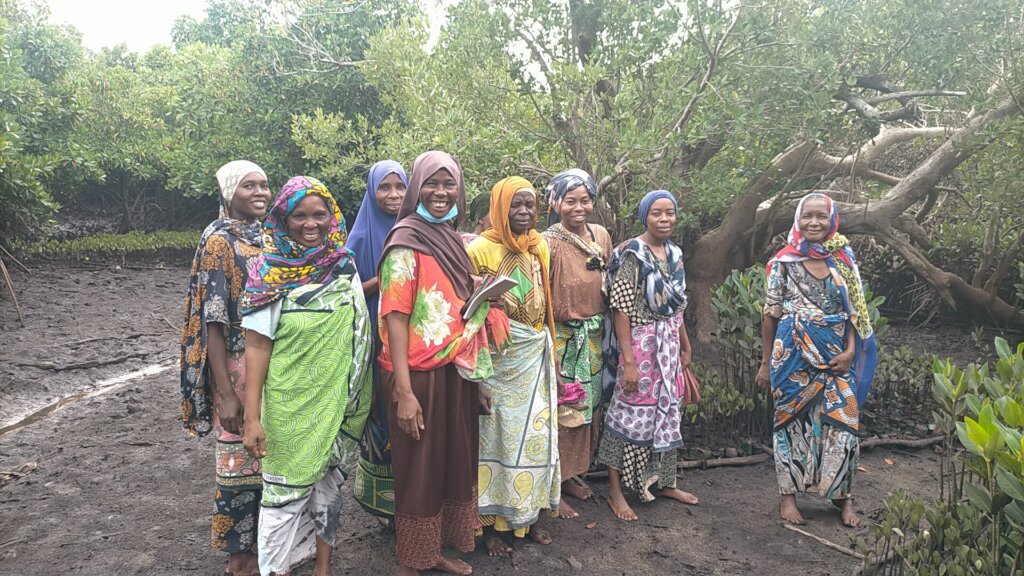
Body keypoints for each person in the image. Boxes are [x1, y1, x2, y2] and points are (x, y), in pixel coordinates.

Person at [378, 151, 507, 576]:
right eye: (431, 183)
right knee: (418, 469)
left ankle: (433, 551)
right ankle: (410, 563)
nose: (440, 192)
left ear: (459, 189)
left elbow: (450, 299)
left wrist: (483, 295)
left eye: (448, 183)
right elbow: (395, 316)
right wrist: (404, 391)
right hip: (417, 373)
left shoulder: (450, 236)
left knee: (450, 461)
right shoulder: (406, 240)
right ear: (416, 188)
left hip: (454, 367)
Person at [240, 176, 372, 576]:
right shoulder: (268, 271)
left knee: (330, 488)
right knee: (281, 502)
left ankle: (323, 569)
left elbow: (357, 327)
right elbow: (258, 347)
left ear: (332, 217)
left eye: (319, 214)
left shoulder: (342, 263)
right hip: (292, 405)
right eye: (299, 215)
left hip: (345, 402)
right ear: (283, 218)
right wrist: (251, 417)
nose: (310, 224)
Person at [755, 192, 877, 528]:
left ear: (832, 219)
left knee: (844, 426)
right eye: (807, 216)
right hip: (791, 356)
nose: (814, 222)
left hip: (837, 356)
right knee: (790, 425)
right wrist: (765, 363)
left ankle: (843, 498)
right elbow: (770, 315)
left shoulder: (845, 261)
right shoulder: (784, 262)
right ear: (798, 219)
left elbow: (855, 314)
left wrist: (851, 352)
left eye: (821, 216)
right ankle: (788, 498)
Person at [180, 160, 270, 576]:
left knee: (265, 456)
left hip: (267, 360)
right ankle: (240, 561)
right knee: (237, 465)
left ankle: (265, 552)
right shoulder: (219, 242)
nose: (259, 193)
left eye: (264, 185)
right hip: (234, 364)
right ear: (228, 193)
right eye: (248, 186)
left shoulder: (267, 236)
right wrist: (225, 393)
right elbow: (213, 322)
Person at [467, 176, 560, 554]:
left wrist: (550, 351)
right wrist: (478, 375)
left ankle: (525, 518)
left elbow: (548, 303)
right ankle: (489, 528)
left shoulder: (540, 247)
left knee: (536, 441)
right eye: (514, 206)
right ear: (498, 207)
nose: (523, 212)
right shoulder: (479, 250)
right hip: (498, 359)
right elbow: (471, 315)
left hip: (534, 354)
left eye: (529, 205)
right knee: (496, 441)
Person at [597, 189, 699, 522]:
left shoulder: (675, 254)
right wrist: (628, 363)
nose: (665, 219)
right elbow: (621, 311)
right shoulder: (631, 254)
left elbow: (678, 306)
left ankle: (664, 482)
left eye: (670, 212)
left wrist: (685, 344)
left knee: (667, 415)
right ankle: (615, 492)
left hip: (668, 345)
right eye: (657, 213)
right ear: (645, 216)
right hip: (640, 347)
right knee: (627, 416)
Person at [541, 169, 612, 520]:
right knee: (563, 412)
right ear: (555, 203)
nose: (578, 207)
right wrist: (550, 351)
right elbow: (543, 299)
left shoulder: (600, 236)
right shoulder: (549, 243)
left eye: (585, 200)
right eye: (570, 201)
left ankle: (570, 475)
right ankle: (553, 486)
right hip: (564, 339)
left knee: (587, 413)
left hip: (594, 338)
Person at [349, 160, 409, 523]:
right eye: (384, 188)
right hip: (373, 337)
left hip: (408, 338)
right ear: (372, 191)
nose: (393, 195)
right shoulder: (358, 237)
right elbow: (346, 290)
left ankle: (412, 498)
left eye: (400, 187)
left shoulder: (413, 229)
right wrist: (387, 278)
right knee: (380, 414)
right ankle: (384, 502)